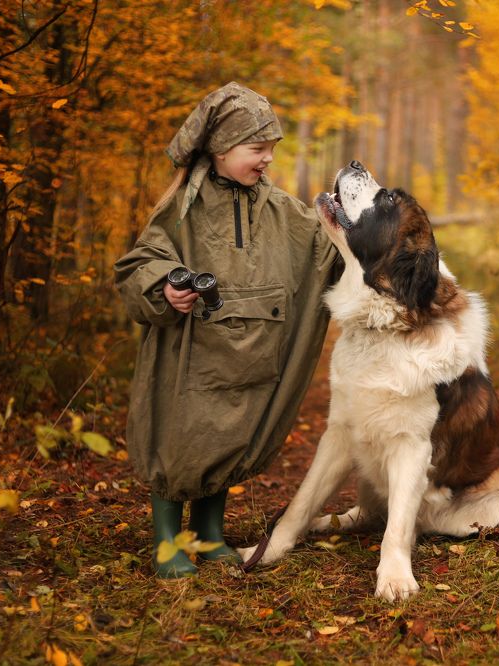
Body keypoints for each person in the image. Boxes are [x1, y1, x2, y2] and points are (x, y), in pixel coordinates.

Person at [114, 83, 340, 578]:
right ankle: (169, 544)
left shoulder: (282, 211)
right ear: (219, 149)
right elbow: (141, 263)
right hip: (191, 358)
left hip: (256, 357)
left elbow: (326, 252)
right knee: (180, 439)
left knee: (230, 437)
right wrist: (165, 290)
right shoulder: (181, 211)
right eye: (256, 149)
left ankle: (209, 535)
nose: (266, 161)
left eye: (271, 151)